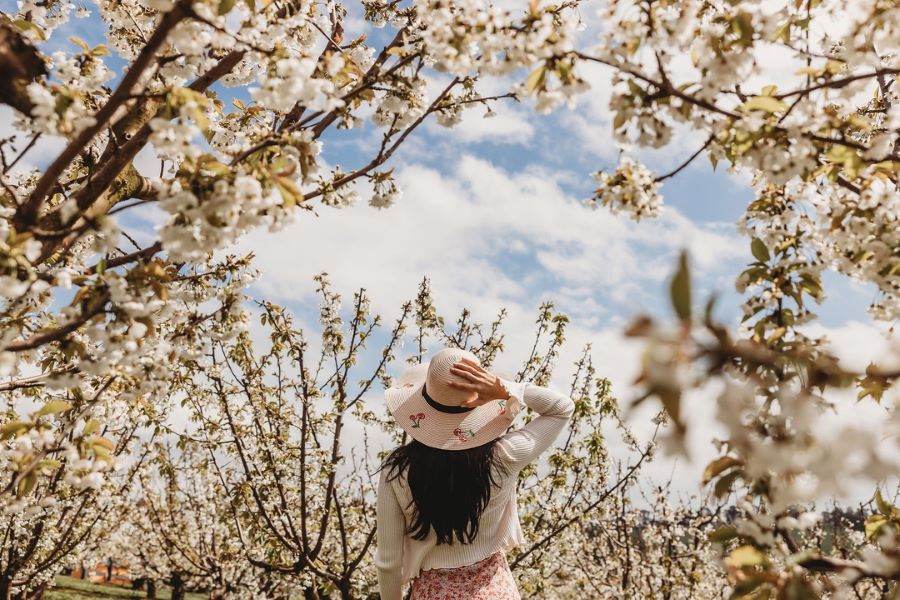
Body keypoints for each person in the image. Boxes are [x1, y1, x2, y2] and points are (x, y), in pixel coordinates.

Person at [375, 347, 575, 600]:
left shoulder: (397, 469)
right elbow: (561, 408)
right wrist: (505, 388)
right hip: (495, 591)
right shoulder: (504, 456)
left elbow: (388, 562)